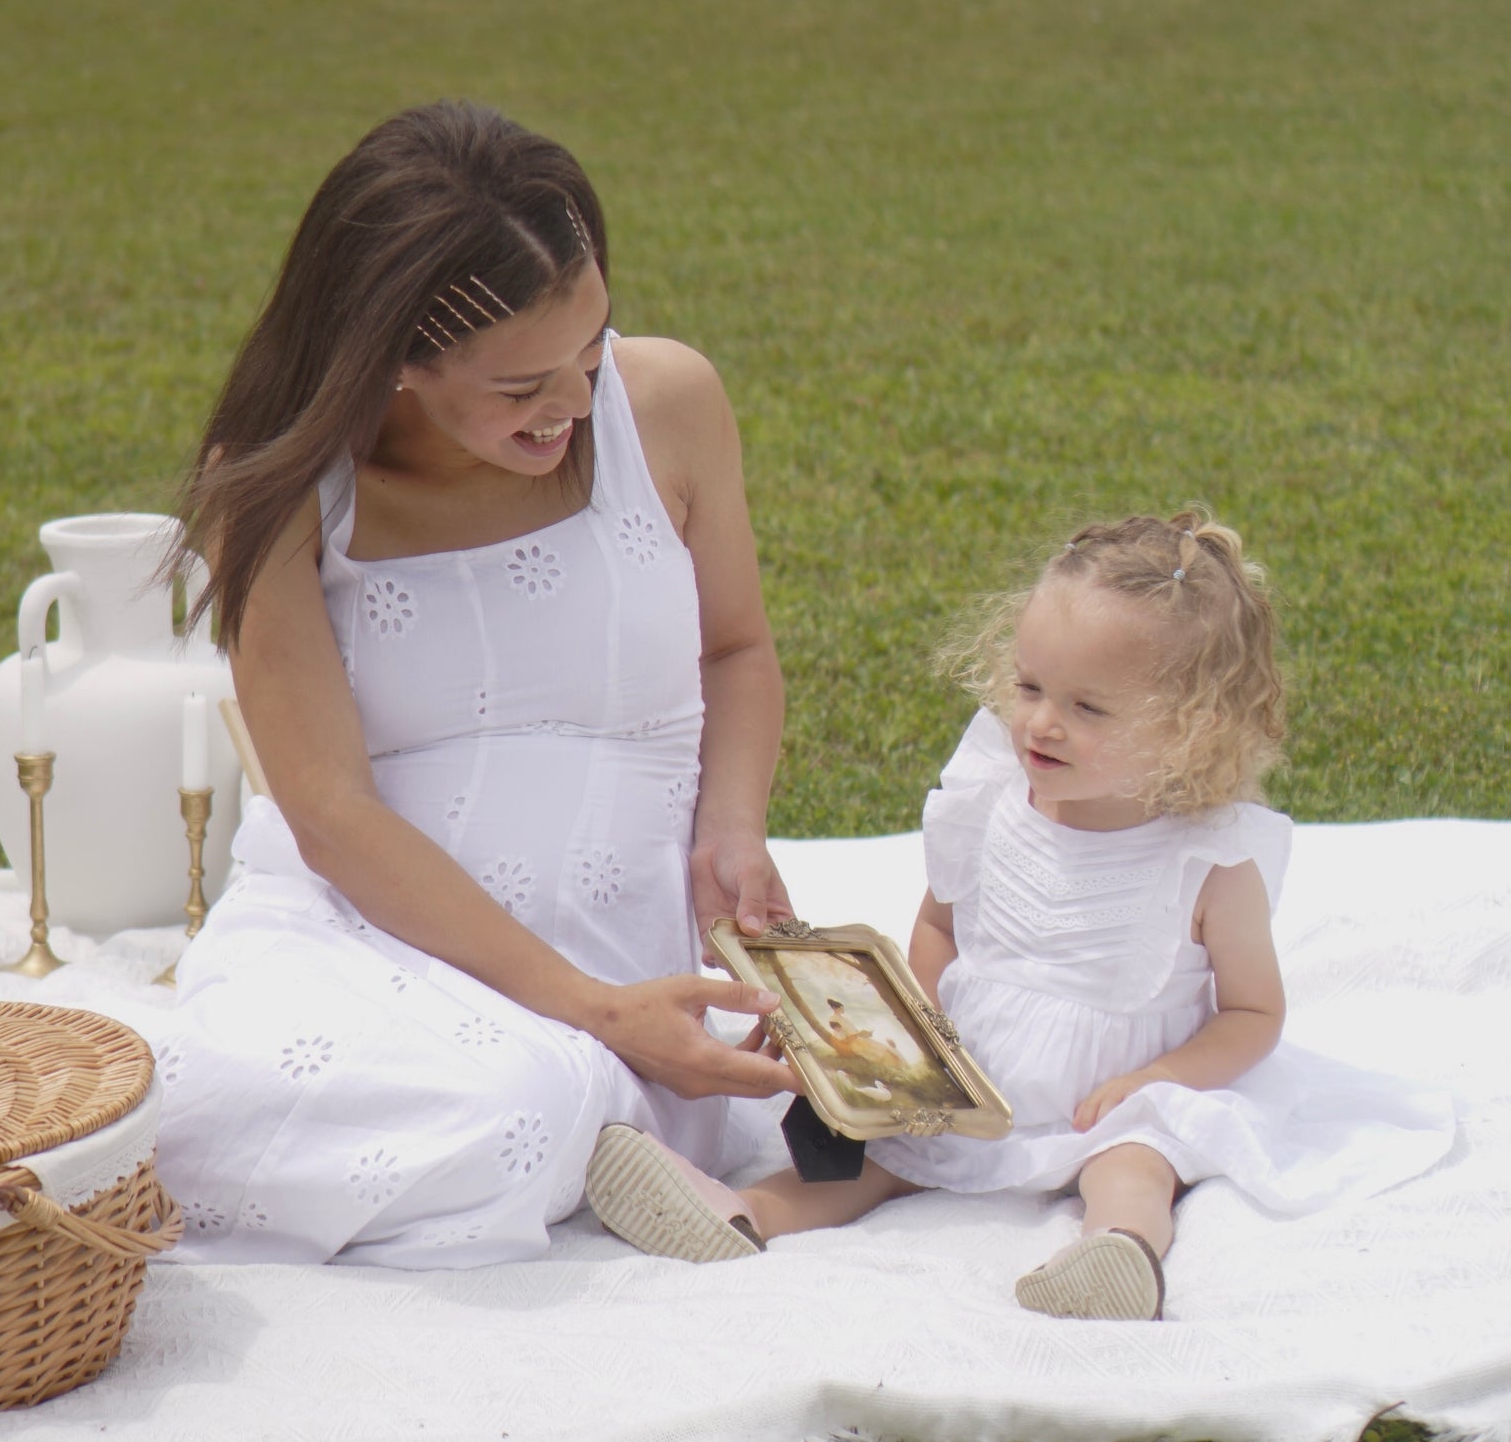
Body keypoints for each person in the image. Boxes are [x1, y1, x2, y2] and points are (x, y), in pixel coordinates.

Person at [153, 101, 799, 1265]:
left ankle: (579, 1123)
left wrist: (731, 825)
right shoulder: (278, 489)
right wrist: (595, 1013)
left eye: (589, 353)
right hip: (363, 934)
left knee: (515, 1106)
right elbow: (328, 811)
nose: (573, 405)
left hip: (616, 952)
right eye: (519, 385)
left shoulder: (668, 404)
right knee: (209, 1104)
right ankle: (579, 1124)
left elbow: (735, 650)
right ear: (393, 358)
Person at [588, 513, 1454, 1318]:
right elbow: (940, 927)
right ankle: (740, 1212)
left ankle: (1118, 1251)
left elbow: (1254, 1013)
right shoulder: (990, 800)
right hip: (982, 1073)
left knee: (1135, 1160)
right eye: (1031, 687)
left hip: (1116, 1093)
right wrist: (916, 1033)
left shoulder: (1208, 864)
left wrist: (1160, 1078)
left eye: (1087, 708)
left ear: (1191, 730)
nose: (1041, 723)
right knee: (875, 1152)